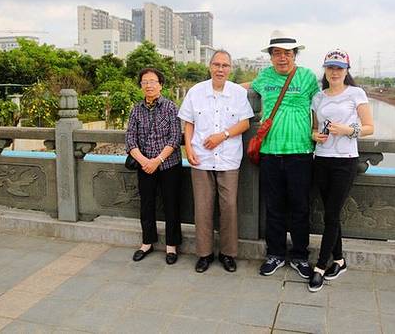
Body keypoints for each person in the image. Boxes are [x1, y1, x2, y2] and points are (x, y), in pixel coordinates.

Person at [248, 30, 320, 279]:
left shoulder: (307, 77)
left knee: (300, 207)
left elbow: (320, 106)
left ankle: (300, 256)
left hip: (301, 152)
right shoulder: (264, 77)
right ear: (270, 57)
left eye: (287, 53)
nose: (282, 58)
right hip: (270, 151)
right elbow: (247, 88)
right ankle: (275, 254)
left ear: (294, 55)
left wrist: (318, 130)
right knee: (274, 206)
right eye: (277, 53)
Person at [178, 50, 254, 273]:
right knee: (202, 207)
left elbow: (245, 123)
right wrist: (188, 148)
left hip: (228, 159)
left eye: (225, 65)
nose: (220, 69)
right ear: (210, 66)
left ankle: (228, 254)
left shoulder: (238, 92)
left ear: (230, 69)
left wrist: (223, 135)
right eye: (217, 64)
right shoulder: (196, 91)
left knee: (229, 207)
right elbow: (189, 123)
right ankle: (204, 254)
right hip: (201, 158)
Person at [308, 49, 374, 292]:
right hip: (322, 159)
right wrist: (315, 136)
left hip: (345, 161)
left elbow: (369, 127)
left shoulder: (356, 93)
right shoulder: (318, 97)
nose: (334, 72)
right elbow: (314, 128)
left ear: (346, 71)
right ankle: (339, 260)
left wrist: (347, 130)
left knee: (332, 214)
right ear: (325, 70)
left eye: (339, 68)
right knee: (331, 213)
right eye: (330, 67)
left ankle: (320, 267)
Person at [125, 68, 183, 265]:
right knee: (146, 204)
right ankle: (147, 242)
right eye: (144, 82)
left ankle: (171, 246)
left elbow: (175, 138)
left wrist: (157, 160)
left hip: (169, 165)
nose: (148, 85)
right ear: (141, 86)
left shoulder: (171, 107)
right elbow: (130, 140)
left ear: (161, 85)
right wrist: (144, 161)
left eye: (152, 81)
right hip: (144, 165)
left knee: (171, 205)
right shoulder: (136, 109)